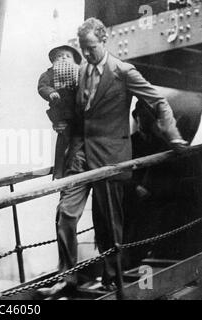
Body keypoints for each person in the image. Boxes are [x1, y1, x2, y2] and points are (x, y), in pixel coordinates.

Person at [38, 18, 188, 297]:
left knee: (107, 224)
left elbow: (158, 101)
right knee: (65, 216)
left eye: (92, 47)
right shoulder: (78, 71)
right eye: (83, 49)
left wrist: (174, 136)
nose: (87, 54)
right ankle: (68, 277)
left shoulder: (123, 71)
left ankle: (112, 278)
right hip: (81, 155)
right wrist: (58, 119)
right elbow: (65, 105)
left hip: (110, 158)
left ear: (104, 42)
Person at [38, 45, 82, 179]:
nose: (64, 57)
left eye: (68, 56)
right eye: (60, 56)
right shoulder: (49, 73)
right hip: (61, 112)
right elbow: (42, 86)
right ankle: (59, 173)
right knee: (63, 143)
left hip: (77, 112)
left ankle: (76, 169)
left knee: (77, 143)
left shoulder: (79, 72)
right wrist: (50, 93)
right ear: (53, 60)